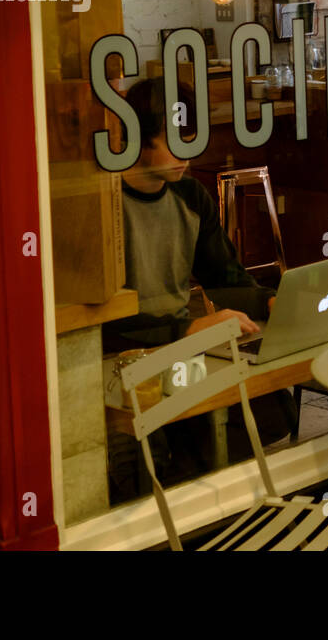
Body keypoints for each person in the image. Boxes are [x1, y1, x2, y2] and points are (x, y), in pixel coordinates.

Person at [105, 79, 291, 498]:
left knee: (274, 412)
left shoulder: (189, 195)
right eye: (175, 141)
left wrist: (272, 299)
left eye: (192, 139)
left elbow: (224, 278)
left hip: (178, 347)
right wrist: (185, 333)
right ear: (137, 138)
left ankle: (195, 501)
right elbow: (100, 328)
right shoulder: (104, 205)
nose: (187, 153)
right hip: (124, 356)